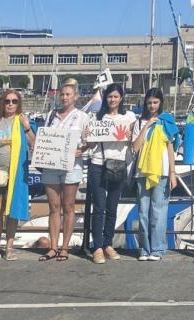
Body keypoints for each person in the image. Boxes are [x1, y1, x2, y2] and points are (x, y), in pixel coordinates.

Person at [0, 89, 36, 262]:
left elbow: (34, 143)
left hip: (17, 172)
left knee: (12, 211)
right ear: (2, 103)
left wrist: (27, 128)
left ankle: (9, 247)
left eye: (14, 101)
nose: (11, 104)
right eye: (7, 101)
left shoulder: (22, 121)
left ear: (18, 104)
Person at [39, 79, 90, 262]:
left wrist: (81, 150)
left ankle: (65, 247)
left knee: (68, 207)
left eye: (68, 94)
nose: (65, 97)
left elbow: (89, 141)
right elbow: (44, 137)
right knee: (53, 207)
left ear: (75, 96)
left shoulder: (83, 117)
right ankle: (53, 247)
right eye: (62, 94)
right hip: (52, 166)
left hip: (72, 166)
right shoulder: (51, 114)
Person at [87, 83, 136, 264]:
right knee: (98, 207)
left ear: (121, 98)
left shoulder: (129, 117)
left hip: (119, 164)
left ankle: (108, 243)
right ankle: (97, 246)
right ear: (105, 98)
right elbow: (91, 144)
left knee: (112, 207)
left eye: (116, 96)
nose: (112, 100)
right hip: (98, 163)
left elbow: (134, 140)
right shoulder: (97, 117)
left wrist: (132, 134)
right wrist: (88, 136)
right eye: (109, 96)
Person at [132, 87, 179, 262]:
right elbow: (135, 147)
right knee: (143, 211)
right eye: (149, 102)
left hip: (162, 171)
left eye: (155, 102)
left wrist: (173, 173)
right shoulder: (138, 122)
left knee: (158, 212)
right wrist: (147, 125)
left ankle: (158, 249)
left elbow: (170, 148)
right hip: (142, 171)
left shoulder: (167, 121)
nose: (152, 105)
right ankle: (144, 248)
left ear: (160, 103)